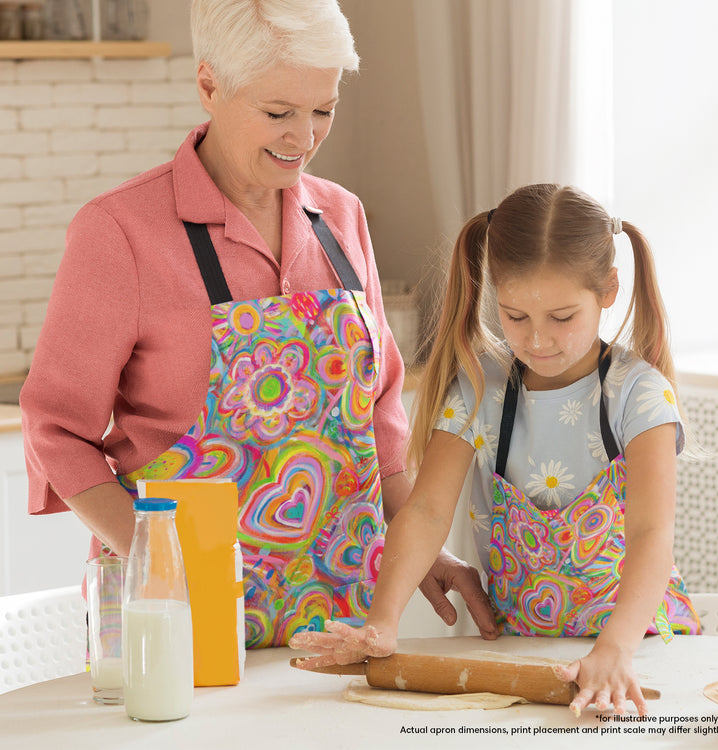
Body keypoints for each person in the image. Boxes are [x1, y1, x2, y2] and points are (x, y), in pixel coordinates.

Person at [20, 0, 495, 649]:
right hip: (176, 621)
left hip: (338, 625)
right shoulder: (120, 232)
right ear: (210, 84)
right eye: (278, 113)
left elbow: (380, 417)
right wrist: (154, 557)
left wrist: (419, 549)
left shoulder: (341, 218)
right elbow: (56, 429)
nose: (304, 136)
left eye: (323, 110)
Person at [290, 183, 701, 714]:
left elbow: (651, 535)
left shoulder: (638, 396)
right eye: (515, 316)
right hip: (523, 655)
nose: (537, 340)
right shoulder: (482, 387)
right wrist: (382, 621)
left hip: (637, 653)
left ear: (608, 290)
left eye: (562, 317)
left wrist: (615, 649)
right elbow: (427, 511)